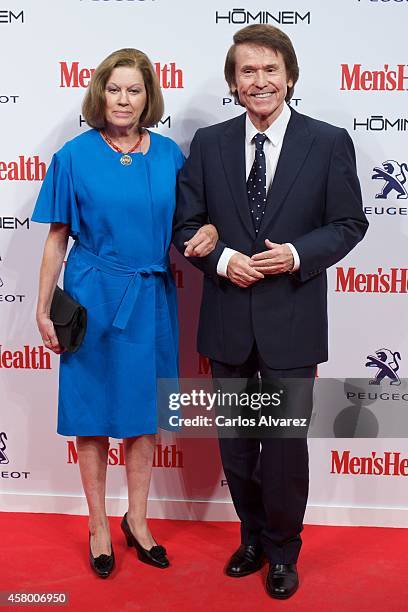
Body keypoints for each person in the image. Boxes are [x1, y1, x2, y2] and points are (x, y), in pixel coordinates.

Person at [173, 25, 368, 599]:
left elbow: (349, 222)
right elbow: (187, 227)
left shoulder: (328, 142)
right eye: (247, 72)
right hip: (228, 318)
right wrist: (225, 258)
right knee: (236, 446)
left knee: (283, 449)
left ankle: (284, 550)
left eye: (269, 70)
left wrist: (298, 254)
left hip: (292, 319)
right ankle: (252, 535)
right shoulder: (209, 144)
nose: (259, 81)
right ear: (234, 82)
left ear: (289, 75)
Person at [32, 48, 217, 578]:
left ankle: (138, 520)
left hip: (151, 297)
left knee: (144, 417)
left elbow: (191, 225)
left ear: (147, 98)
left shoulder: (168, 157)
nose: (123, 99)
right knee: (92, 416)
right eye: (114, 89)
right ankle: (97, 523)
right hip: (91, 295)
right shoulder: (73, 155)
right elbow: (56, 237)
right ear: (99, 93)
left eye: (134, 90)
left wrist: (209, 233)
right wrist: (44, 309)